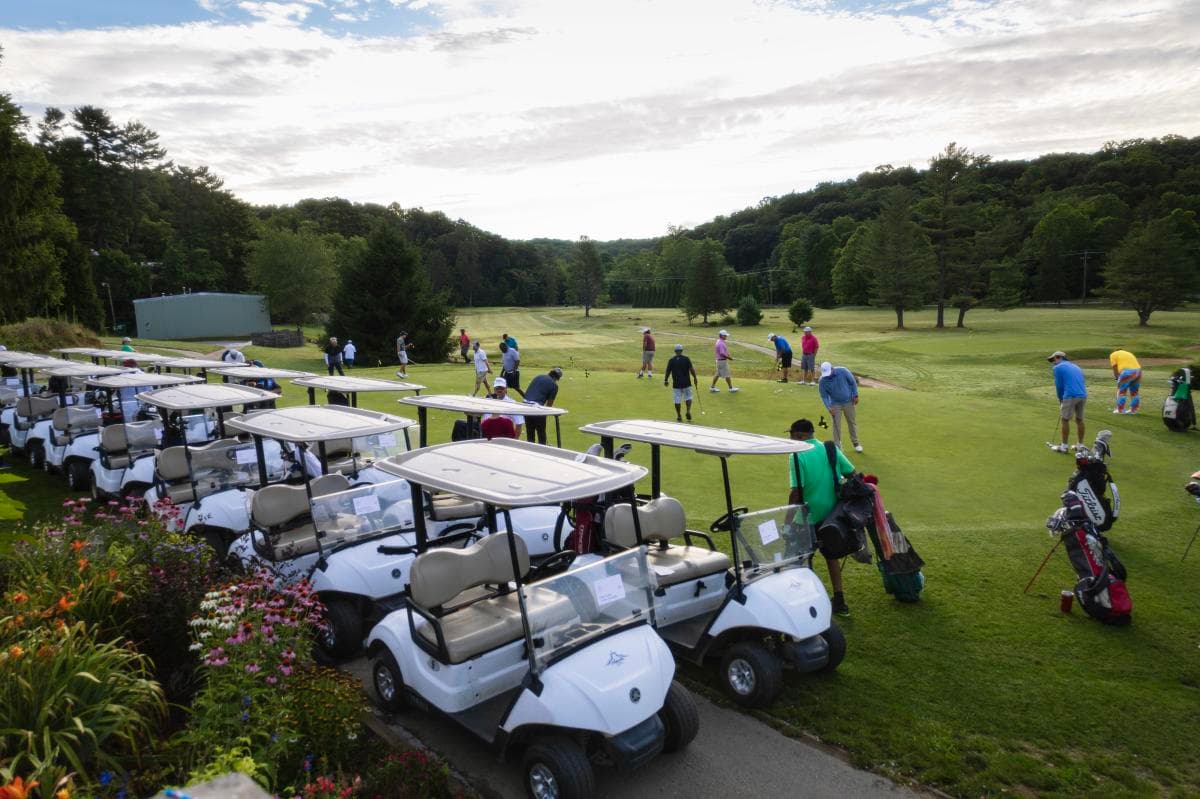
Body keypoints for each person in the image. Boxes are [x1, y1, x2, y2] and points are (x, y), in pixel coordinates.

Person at [786, 418, 854, 616]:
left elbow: (795, 493)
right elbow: (851, 472)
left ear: (800, 435)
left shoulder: (796, 455)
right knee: (831, 556)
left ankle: (804, 601)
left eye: (792, 435)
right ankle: (839, 601)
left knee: (798, 559)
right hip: (832, 516)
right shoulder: (828, 448)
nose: (790, 440)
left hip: (806, 518)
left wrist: (787, 522)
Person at [817, 361, 862, 452]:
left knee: (851, 422)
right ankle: (837, 445)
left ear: (832, 368)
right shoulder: (822, 381)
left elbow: (852, 383)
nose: (828, 376)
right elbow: (824, 396)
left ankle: (855, 442)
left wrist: (856, 395)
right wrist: (829, 407)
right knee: (836, 425)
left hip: (849, 401)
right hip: (835, 404)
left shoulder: (843, 371)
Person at [1048, 350, 1086, 451]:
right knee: (1079, 420)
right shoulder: (1076, 366)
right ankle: (1080, 445)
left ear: (1060, 357)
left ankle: (1064, 446)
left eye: (1054, 359)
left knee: (1064, 419)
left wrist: (1061, 400)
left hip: (1070, 395)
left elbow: (1059, 386)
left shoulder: (1057, 368)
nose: (1053, 362)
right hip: (1083, 395)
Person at [523, 367, 563, 444]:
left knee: (530, 433)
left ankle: (530, 451)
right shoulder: (554, 385)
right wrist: (544, 416)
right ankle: (542, 450)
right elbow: (549, 405)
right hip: (536, 408)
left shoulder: (538, 376)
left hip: (525, 406)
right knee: (541, 434)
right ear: (557, 378)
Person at [664, 343, 699, 422]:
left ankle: (679, 416)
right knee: (688, 397)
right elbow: (691, 369)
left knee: (677, 400)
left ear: (675, 351)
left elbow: (668, 371)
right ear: (682, 350)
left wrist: (666, 380)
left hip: (676, 384)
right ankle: (688, 411)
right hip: (686, 382)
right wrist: (695, 378)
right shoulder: (686, 359)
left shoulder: (671, 360)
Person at [1109, 348, 1142, 414]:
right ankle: (1133, 410)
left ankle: (1120, 410)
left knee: (1122, 392)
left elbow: (1115, 368)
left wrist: (1117, 378)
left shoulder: (1113, 354)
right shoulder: (1128, 353)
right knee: (1134, 392)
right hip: (1138, 371)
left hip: (1127, 372)